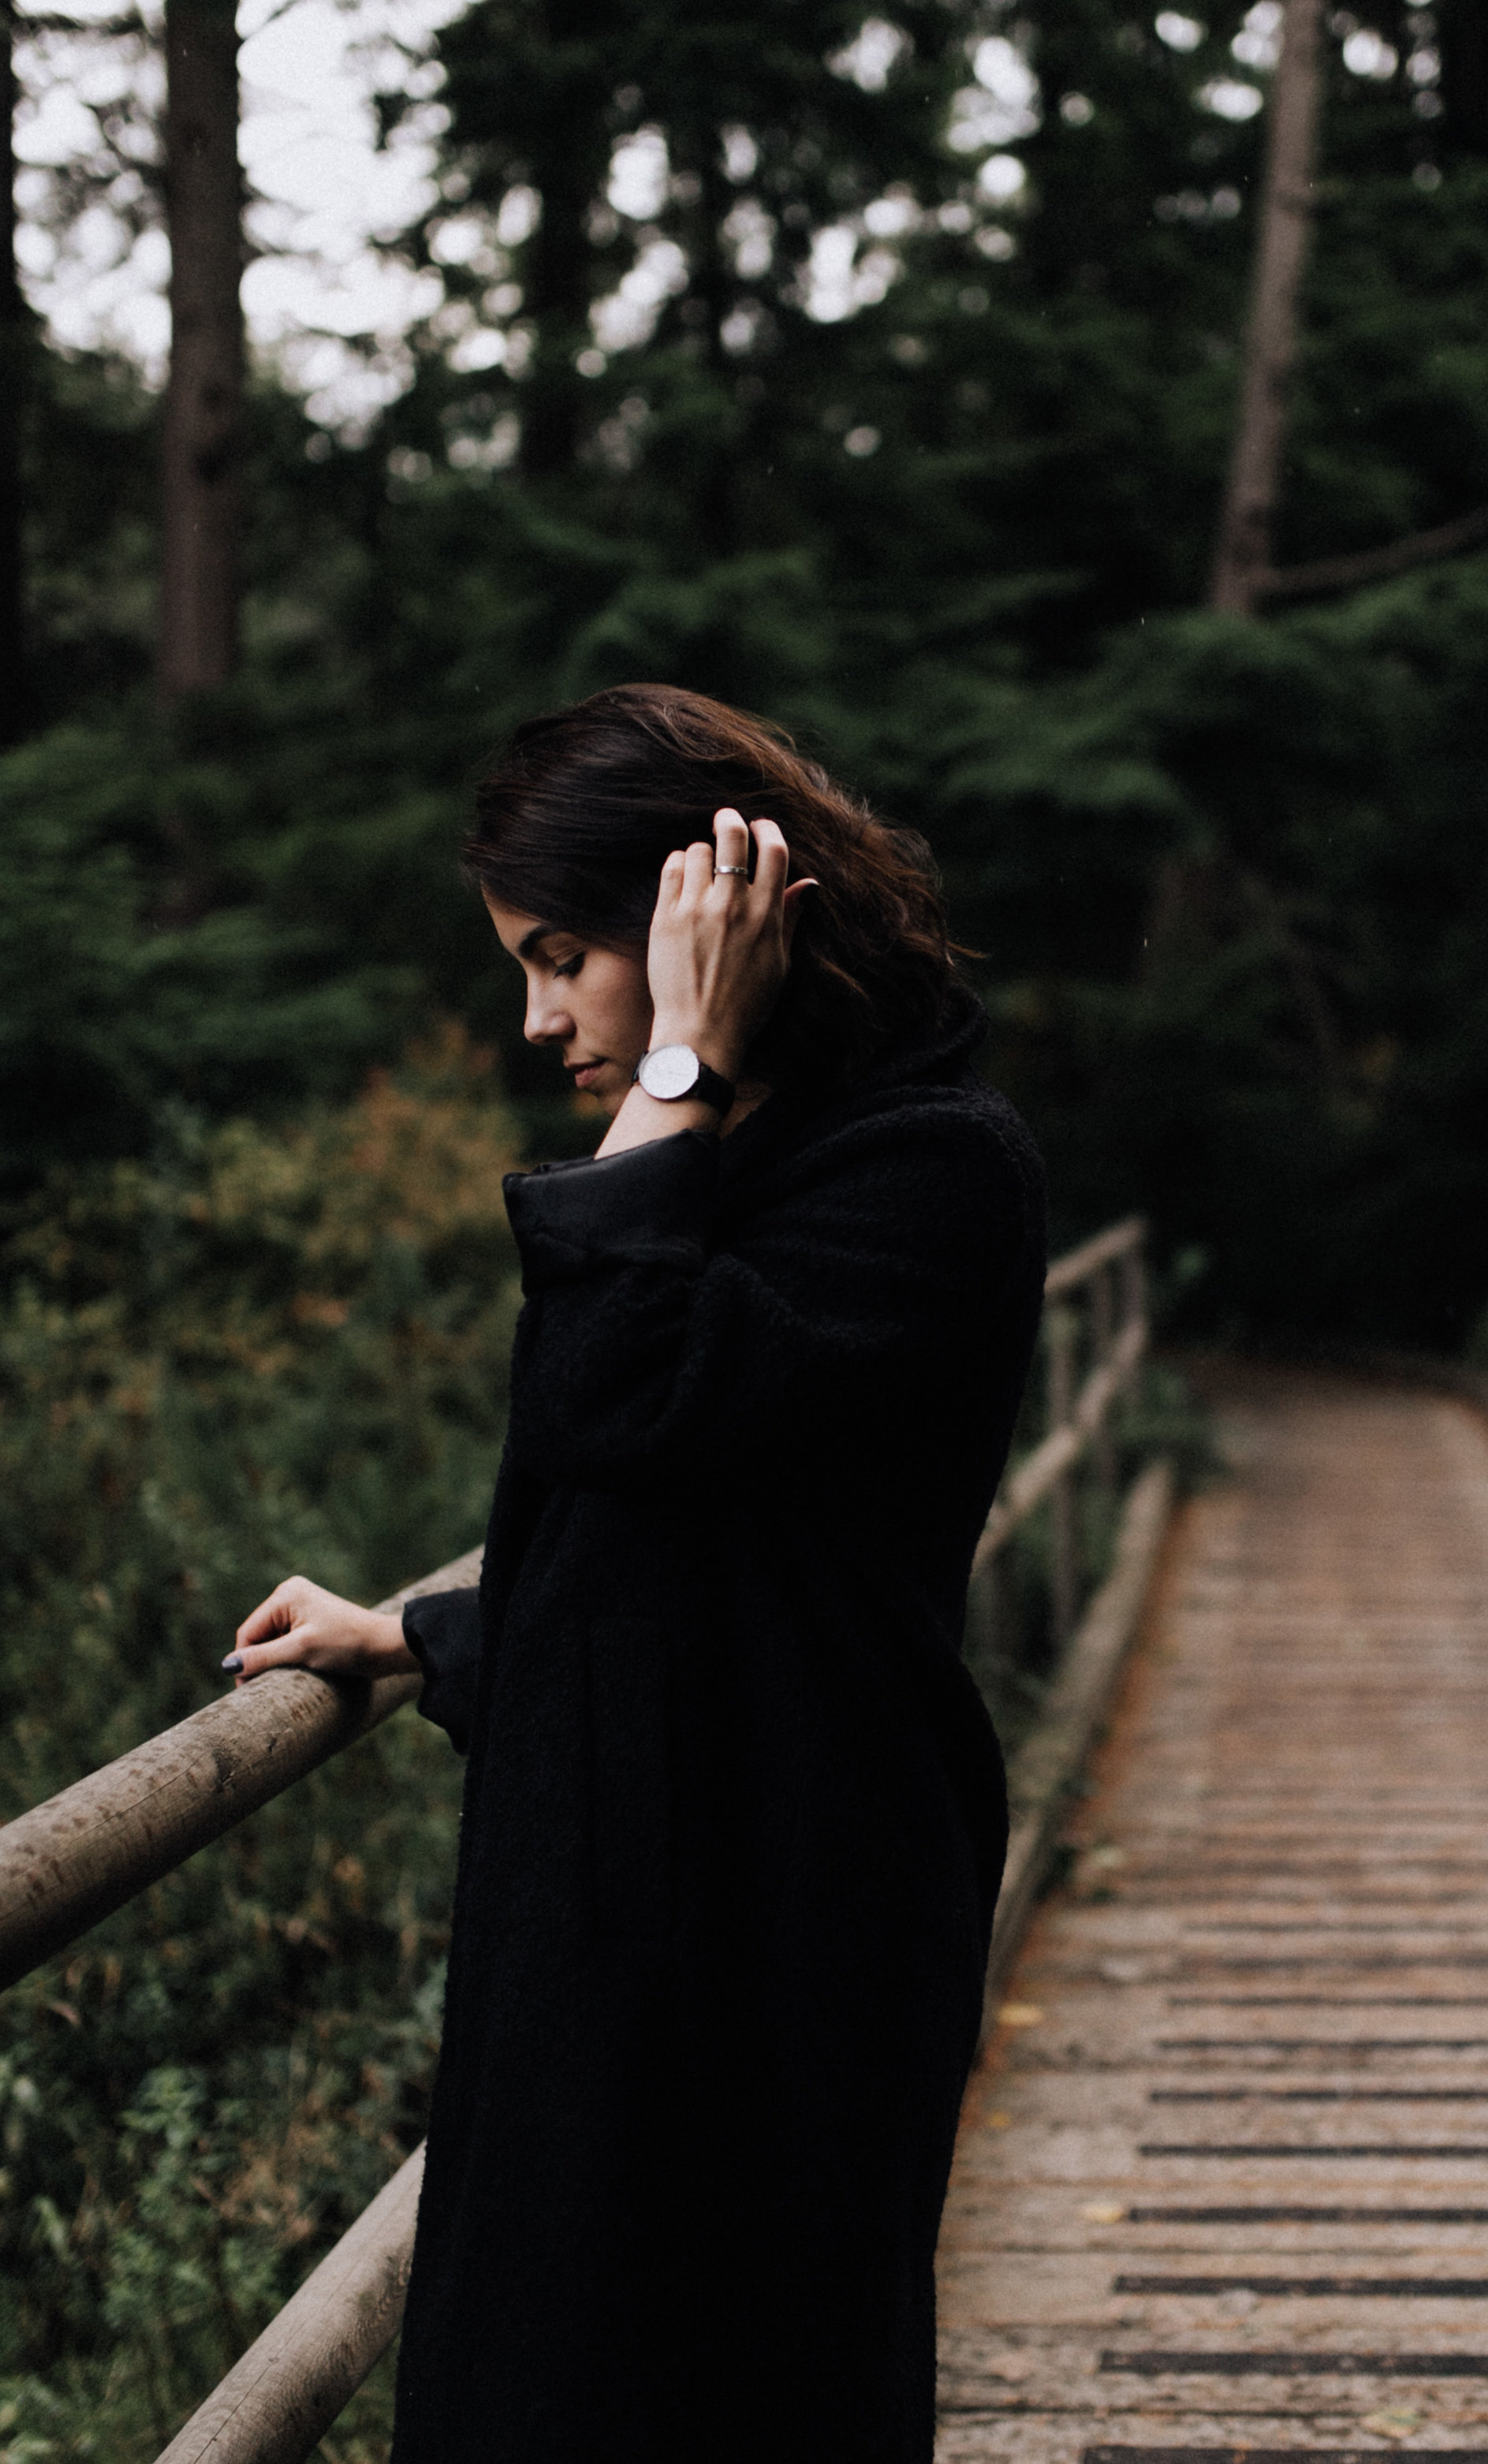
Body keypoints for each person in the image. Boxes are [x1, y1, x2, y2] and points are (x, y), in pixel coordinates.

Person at [226, 684, 1047, 2460]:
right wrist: (416, 1633)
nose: (537, 1019)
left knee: (737, 2397)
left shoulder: (924, 1172)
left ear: (704, 920)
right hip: (625, 1927)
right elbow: (670, 1542)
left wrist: (678, 1060)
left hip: (788, 1931)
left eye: (561, 958)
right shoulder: (723, 1172)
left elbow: (614, 1396)